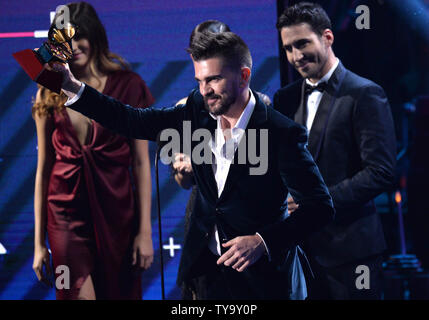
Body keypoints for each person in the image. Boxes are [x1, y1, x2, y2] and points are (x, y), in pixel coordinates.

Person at [53, 30, 335, 300]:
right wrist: (71, 86)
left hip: (262, 280)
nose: (205, 90)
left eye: (213, 79)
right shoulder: (197, 109)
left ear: (243, 76)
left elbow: (320, 207)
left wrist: (262, 242)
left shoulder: (281, 133)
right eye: (199, 80)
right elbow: (132, 120)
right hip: (205, 272)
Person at [274, 2, 396, 299]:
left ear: (327, 37)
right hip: (301, 253)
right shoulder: (285, 100)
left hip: (352, 254)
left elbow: (380, 172)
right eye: (289, 48)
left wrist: (318, 202)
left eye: (302, 43)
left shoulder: (365, 93)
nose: (296, 56)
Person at [32, 2, 154, 300]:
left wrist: (145, 232)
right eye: (66, 40)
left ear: (95, 36)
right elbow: (44, 168)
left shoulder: (129, 85)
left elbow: (140, 164)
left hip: (118, 215)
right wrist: (38, 244)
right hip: (65, 216)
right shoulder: (48, 88)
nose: (74, 46)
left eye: (80, 37)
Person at [171, 20, 273, 299]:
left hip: (247, 222)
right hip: (204, 222)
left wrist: (203, 160)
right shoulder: (184, 109)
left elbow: (258, 166)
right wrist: (183, 164)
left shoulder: (259, 104)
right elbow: (182, 180)